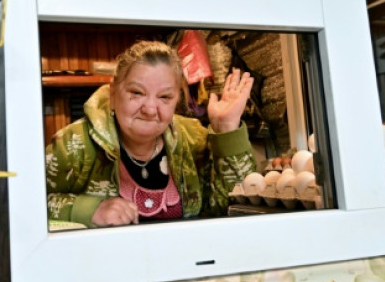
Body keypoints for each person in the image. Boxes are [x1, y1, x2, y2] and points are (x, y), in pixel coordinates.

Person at [45, 40, 257, 228]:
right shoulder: (76, 142)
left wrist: (226, 129)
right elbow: (23, 202)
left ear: (176, 101)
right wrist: (88, 210)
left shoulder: (194, 138)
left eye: (164, 97)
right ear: (113, 93)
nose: (149, 109)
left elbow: (232, 209)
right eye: (137, 93)